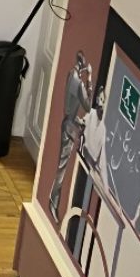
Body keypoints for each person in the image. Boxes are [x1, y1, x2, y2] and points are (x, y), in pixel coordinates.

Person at [48, 50, 92, 221]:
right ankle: (54, 201)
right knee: (62, 168)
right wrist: (89, 79)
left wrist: (77, 119)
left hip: (68, 121)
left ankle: (54, 200)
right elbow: (88, 105)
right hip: (69, 126)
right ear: (82, 64)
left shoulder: (70, 75)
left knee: (62, 166)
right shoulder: (78, 82)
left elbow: (72, 103)